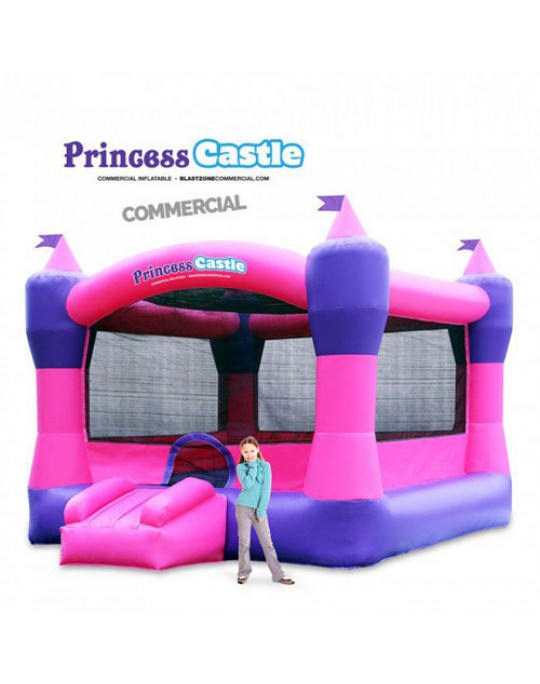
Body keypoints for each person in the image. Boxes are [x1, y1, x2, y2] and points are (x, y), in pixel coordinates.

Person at [235, 436, 294, 585]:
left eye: (252, 451)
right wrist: (252, 466)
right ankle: (243, 573)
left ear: (257, 450)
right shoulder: (241, 468)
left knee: (267, 543)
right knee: (244, 543)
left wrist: (261, 511)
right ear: (242, 453)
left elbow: (266, 490)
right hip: (243, 508)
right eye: (246, 452)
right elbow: (248, 485)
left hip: (259, 510)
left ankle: (278, 575)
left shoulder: (266, 466)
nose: (249, 454)